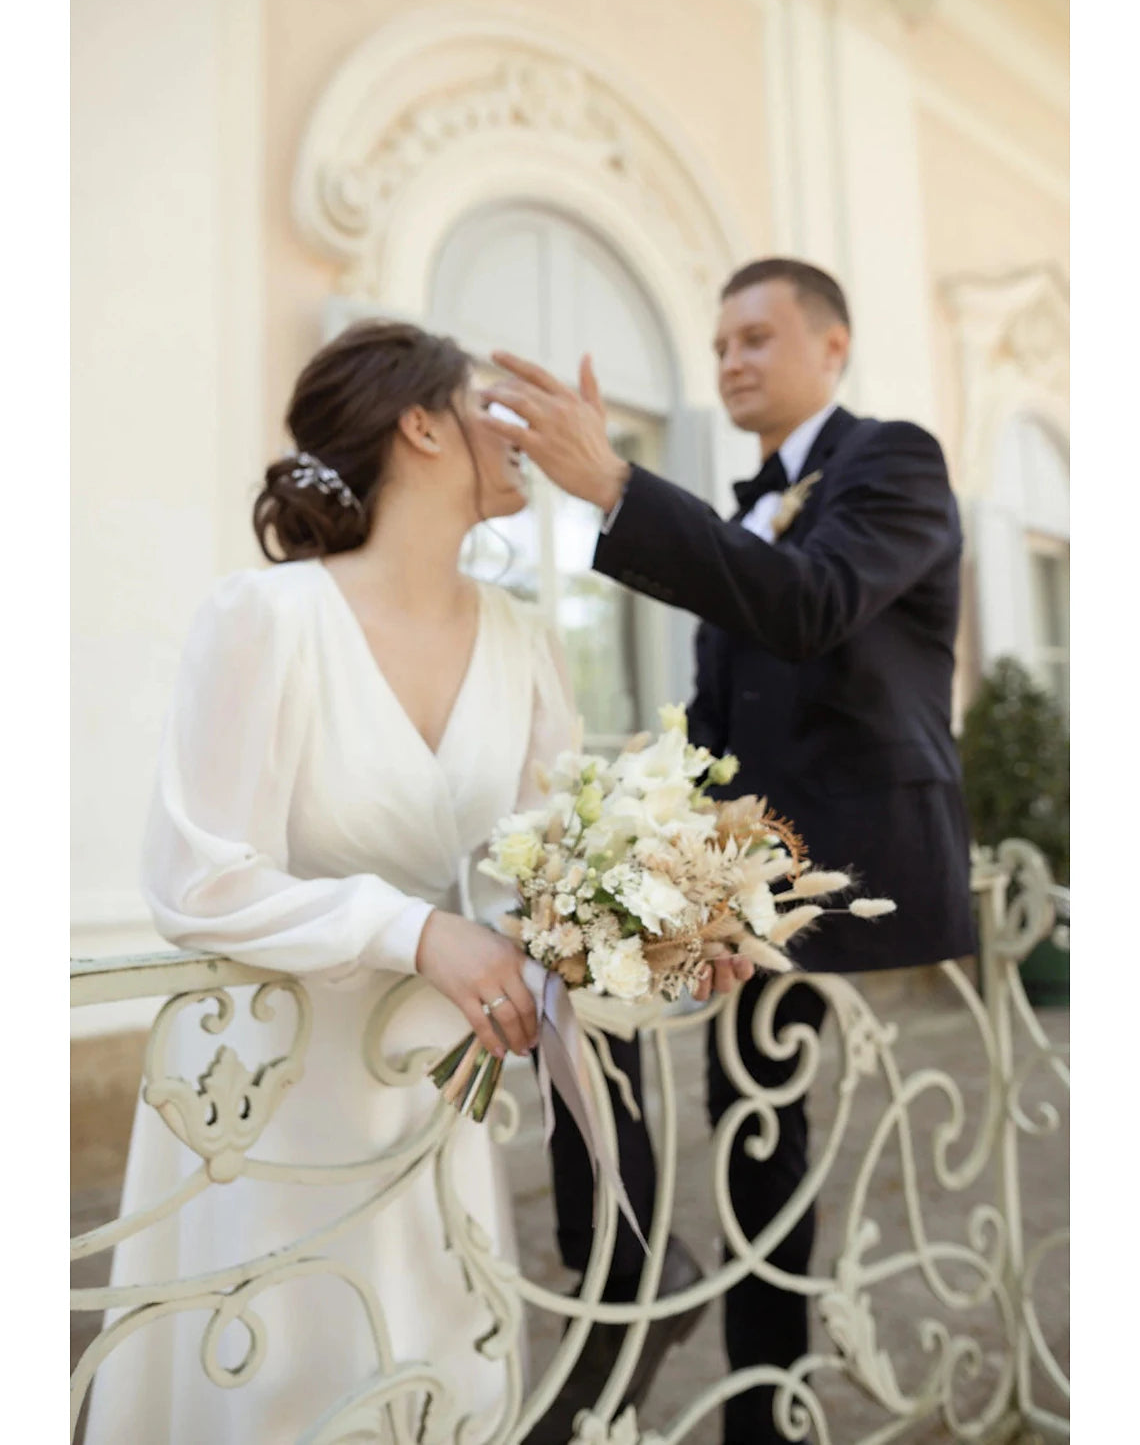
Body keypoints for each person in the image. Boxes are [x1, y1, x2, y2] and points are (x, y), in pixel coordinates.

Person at [483, 257, 976, 1445]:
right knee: (723, 1116)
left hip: (848, 872)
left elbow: (809, 605)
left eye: (756, 337)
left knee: (782, 1144)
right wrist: (650, 830)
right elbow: (725, 713)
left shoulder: (892, 461)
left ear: (833, 346)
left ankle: (772, 1401)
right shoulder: (744, 503)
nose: (731, 362)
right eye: (718, 347)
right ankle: (692, 1339)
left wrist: (615, 486)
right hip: (735, 887)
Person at [84, 321, 582, 1444]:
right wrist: (418, 932)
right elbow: (199, 880)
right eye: (491, 408)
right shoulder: (266, 618)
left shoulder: (524, 640)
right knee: (286, 1378)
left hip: (433, 1080)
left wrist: (660, 924)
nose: (523, 437)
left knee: (437, 1365)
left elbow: (546, 862)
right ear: (420, 425)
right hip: (273, 1086)